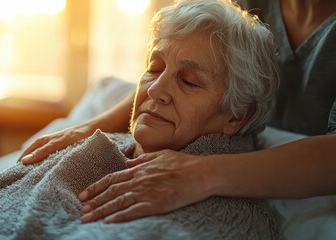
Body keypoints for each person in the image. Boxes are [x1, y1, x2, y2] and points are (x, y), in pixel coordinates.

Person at [19, 0, 336, 223]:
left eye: (189, 83)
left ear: (237, 115)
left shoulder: (226, 221)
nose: (157, 90)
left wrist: (200, 175)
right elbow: (179, 61)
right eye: (153, 70)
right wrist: (91, 126)